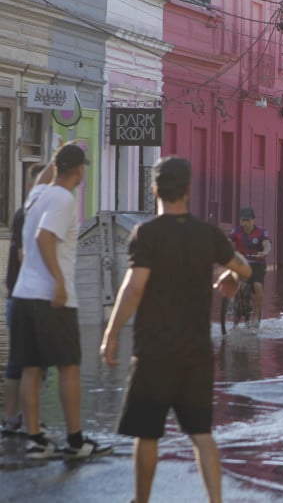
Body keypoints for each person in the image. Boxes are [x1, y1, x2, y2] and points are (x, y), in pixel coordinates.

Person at [100, 156, 251, 503]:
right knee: (202, 434)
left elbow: (134, 288)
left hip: (153, 352)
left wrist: (110, 334)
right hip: (195, 352)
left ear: (154, 189)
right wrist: (230, 276)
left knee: (147, 435)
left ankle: (142, 500)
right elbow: (244, 268)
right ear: (188, 190)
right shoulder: (208, 235)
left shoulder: (146, 235)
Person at [9, 143, 111, 460]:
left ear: (55, 166)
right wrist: (59, 282)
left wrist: (54, 162)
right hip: (51, 298)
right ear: (79, 170)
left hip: (24, 294)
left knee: (31, 367)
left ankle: (36, 439)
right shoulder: (64, 199)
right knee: (69, 366)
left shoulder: (36, 196)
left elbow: (38, 213)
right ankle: (75, 440)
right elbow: (43, 236)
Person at [2, 162, 49, 437]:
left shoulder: (26, 214)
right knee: (29, 363)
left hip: (21, 296)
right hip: (27, 297)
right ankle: (21, 421)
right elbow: (25, 255)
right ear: (32, 185)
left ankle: (17, 419)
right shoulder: (28, 215)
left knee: (23, 363)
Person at [228, 207, 271, 327]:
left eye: (248, 220)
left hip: (257, 264)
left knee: (257, 286)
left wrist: (264, 252)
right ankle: (234, 304)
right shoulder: (236, 231)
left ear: (253, 220)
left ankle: (256, 317)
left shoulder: (262, 232)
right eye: (243, 220)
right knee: (238, 283)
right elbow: (227, 240)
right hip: (242, 264)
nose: (245, 223)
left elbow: (267, 245)